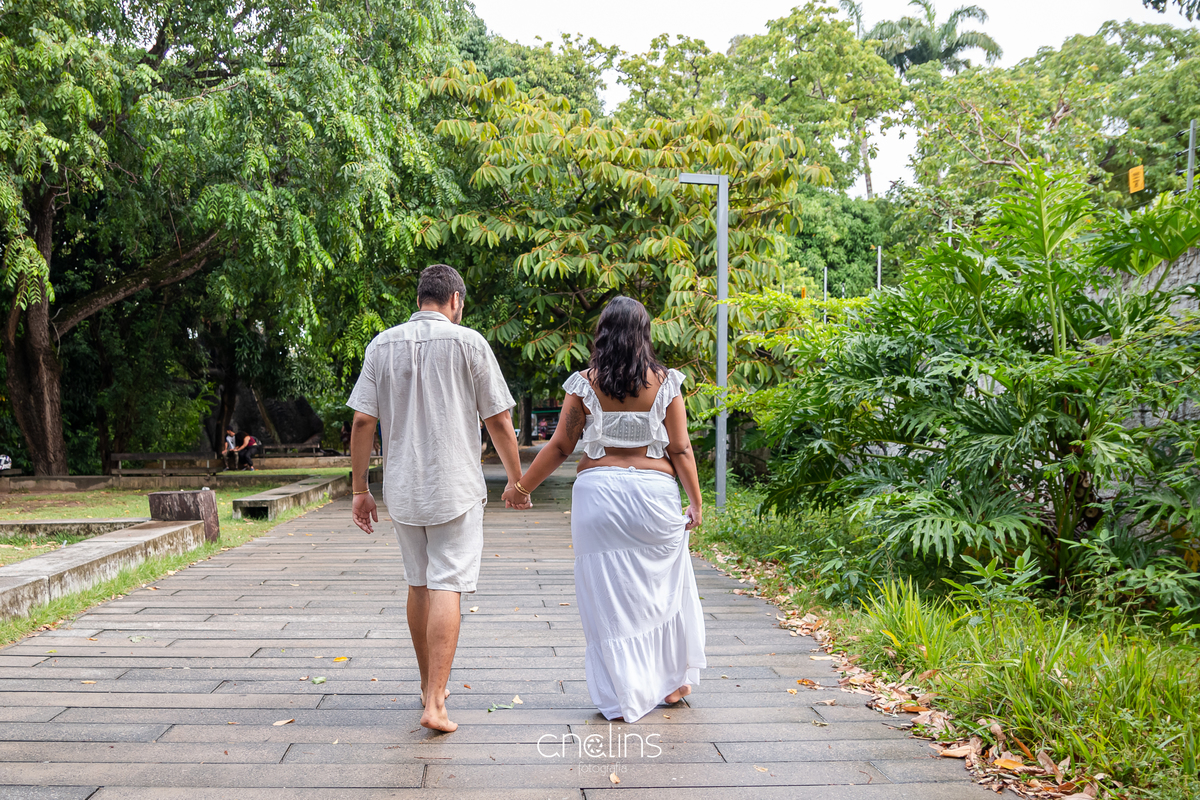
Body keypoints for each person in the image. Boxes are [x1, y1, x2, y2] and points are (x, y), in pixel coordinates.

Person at [502, 296, 705, 723]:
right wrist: (696, 501)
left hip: (600, 498)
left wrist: (521, 487)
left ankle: (620, 691)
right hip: (654, 496)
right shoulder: (665, 383)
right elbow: (681, 448)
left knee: (609, 596)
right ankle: (671, 683)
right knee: (663, 590)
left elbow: (560, 446)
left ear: (604, 333)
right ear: (644, 334)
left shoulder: (584, 384)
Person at [347, 263, 524, 733]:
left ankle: (430, 687)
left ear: (422, 297)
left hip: (403, 490)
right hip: (455, 488)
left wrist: (360, 489)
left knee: (418, 582)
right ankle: (436, 705)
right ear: (455, 302)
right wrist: (517, 481)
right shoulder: (470, 343)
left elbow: (363, 421)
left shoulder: (381, 345)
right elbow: (499, 421)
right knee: (447, 582)